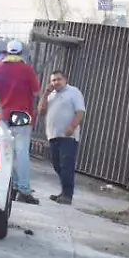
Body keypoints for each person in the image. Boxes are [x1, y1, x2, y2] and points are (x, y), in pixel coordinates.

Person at [0, 40, 41, 204]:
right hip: (22, 116)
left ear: (7, 52)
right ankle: (23, 189)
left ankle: (9, 188)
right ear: (20, 53)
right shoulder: (27, 69)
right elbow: (36, 91)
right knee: (21, 152)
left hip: (2, 116)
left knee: (5, 153)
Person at [37, 70, 86, 205]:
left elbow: (80, 111)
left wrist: (72, 127)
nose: (55, 82)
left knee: (66, 166)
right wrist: (46, 93)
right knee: (57, 166)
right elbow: (41, 111)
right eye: (53, 80)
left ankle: (67, 195)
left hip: (68, 137)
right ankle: (63, 192)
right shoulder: (51, 95)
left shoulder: (74, 92)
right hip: (53, 135)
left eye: (58, 79)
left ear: (65, 80)